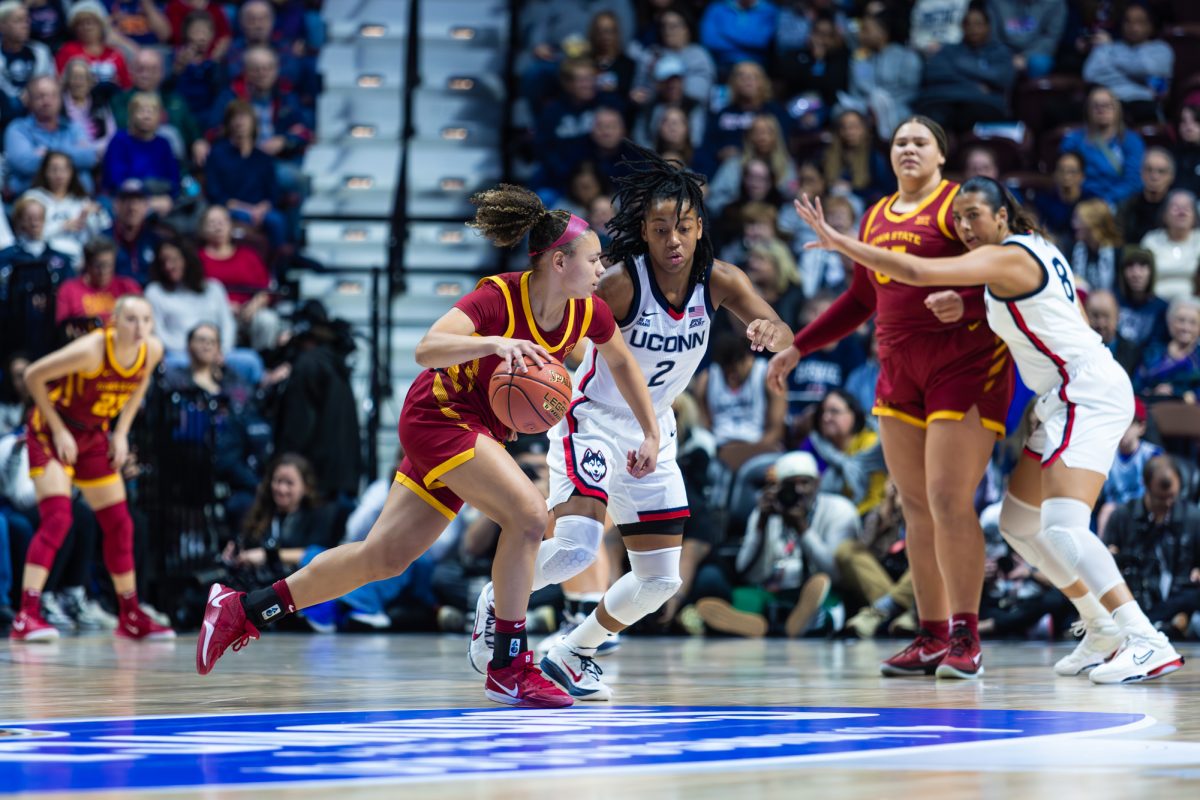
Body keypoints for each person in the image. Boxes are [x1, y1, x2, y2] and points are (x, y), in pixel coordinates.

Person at [196, 184, 660, 709]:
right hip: (438, 416)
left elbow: (621, 363)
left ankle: (244, 608)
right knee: (529, 516)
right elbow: (427, 348)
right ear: (559, 261)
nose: (602, 269)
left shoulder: (586, 313)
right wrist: (494, 343)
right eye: (594, 259)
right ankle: (508, 664)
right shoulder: (497, 297)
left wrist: (649, 430)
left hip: (472, 430)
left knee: (383, 557)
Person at [794, 175, 1184, 683]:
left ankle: (1145, 638)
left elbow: (916, 269)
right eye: (958, 217)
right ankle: (1098, 625)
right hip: (1063, 395)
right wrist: (972, 306)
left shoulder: (1007, 256)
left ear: (1003, 216)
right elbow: (1064, 310)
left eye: (975, 214)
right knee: (1018, 524)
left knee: (1065, 526)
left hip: (1083, 392)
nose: (964, 225)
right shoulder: (1036, 251)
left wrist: (844, 243)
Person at [468, 142, 793, 700]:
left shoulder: (722, 281)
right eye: (661, 228)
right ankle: (498, 601)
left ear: (699, 229)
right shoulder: (620, 282)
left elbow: (782, 329)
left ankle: (574, 651)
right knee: (575, 547)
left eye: (684, 228)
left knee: (661, 580)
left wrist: (772, 333)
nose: (673, 240)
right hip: (593, 420)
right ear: (644, 230)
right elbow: (565, 333)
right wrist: (540, 383)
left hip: (655, 427)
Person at [767, 117, 1014, 680]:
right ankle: (928, 634)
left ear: (941, 156)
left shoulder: (960, 207)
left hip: (966, 366)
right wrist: (798, 347)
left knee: (951, 501)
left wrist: (969, 305)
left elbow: (1007, 275)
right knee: (915, 507)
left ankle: (965, 634)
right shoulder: (877, 215)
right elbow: (860, 298)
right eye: (900, 141)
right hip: (899, 371)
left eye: (920, 141)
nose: (908, 148)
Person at [10, 295, 173, 641]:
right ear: (114, 321)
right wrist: (56, 429)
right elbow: (34, 375)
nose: (140, 327)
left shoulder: (152, 350)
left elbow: (139, 386)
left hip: (93, 433)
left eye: (146, 319)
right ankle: (26, 614)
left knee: (120, 523)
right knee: (58, 519)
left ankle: (129, 614)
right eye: (131, 319)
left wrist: (122, 433)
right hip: (51, 431)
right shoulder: (92, 349)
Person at [1060, 86, 1145, 208]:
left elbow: (1133, 182)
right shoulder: (1074, 140)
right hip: (1079, 201)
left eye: (1107, 105)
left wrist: (1106, 201)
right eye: (1096, 106)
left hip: (1117, 203)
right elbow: (1065, 172)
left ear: (1117, 109)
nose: (1101, 110)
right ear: (1088, 110)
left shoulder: (1131, 141)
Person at [1139, 189, 1200, 301]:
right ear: (1164, 215)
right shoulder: (1151, 240)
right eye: (1175, 207)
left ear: (1195, 216)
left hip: (1193, 306)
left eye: (1187, 207)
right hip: (1155, 305)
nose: (1181, 212)